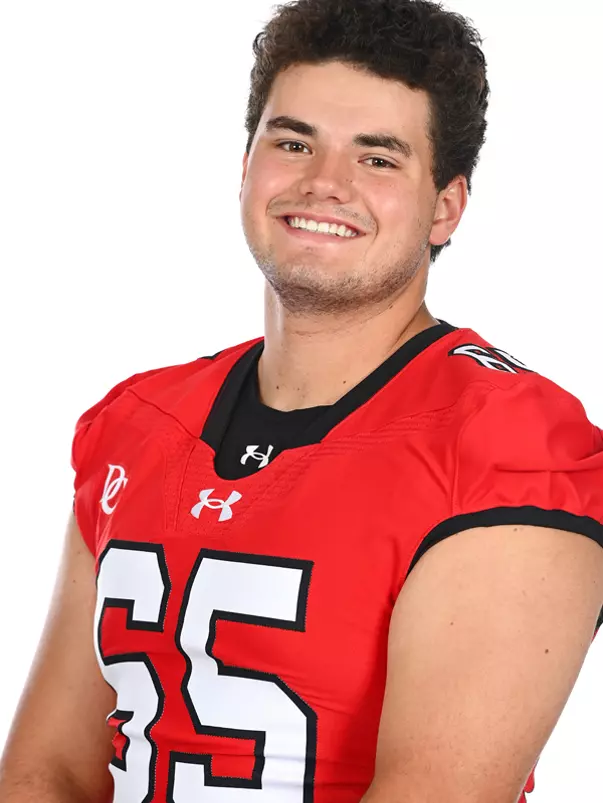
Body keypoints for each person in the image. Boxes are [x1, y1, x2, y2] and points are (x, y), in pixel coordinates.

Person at [2, 0, 603, 800]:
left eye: (378, 159)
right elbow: (48, 771)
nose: (325, 184)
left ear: (446, 205)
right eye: (293, 143)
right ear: (245, 165)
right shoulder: (138, 422)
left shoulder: (512, 443)